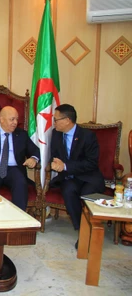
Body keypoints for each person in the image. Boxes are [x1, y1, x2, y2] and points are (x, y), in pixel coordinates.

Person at [50, 104, 104, 248]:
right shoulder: (56, 134)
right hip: (69, 178)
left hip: (89, 177)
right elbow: (54, 155)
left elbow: (91, 163)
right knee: (68, 191)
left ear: (67, 120)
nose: (53, 122)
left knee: (87, 194)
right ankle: (83, 231)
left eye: (56, 119)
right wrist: (54, 163)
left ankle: (90, 232)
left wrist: (66, 166)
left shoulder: (87, 136)